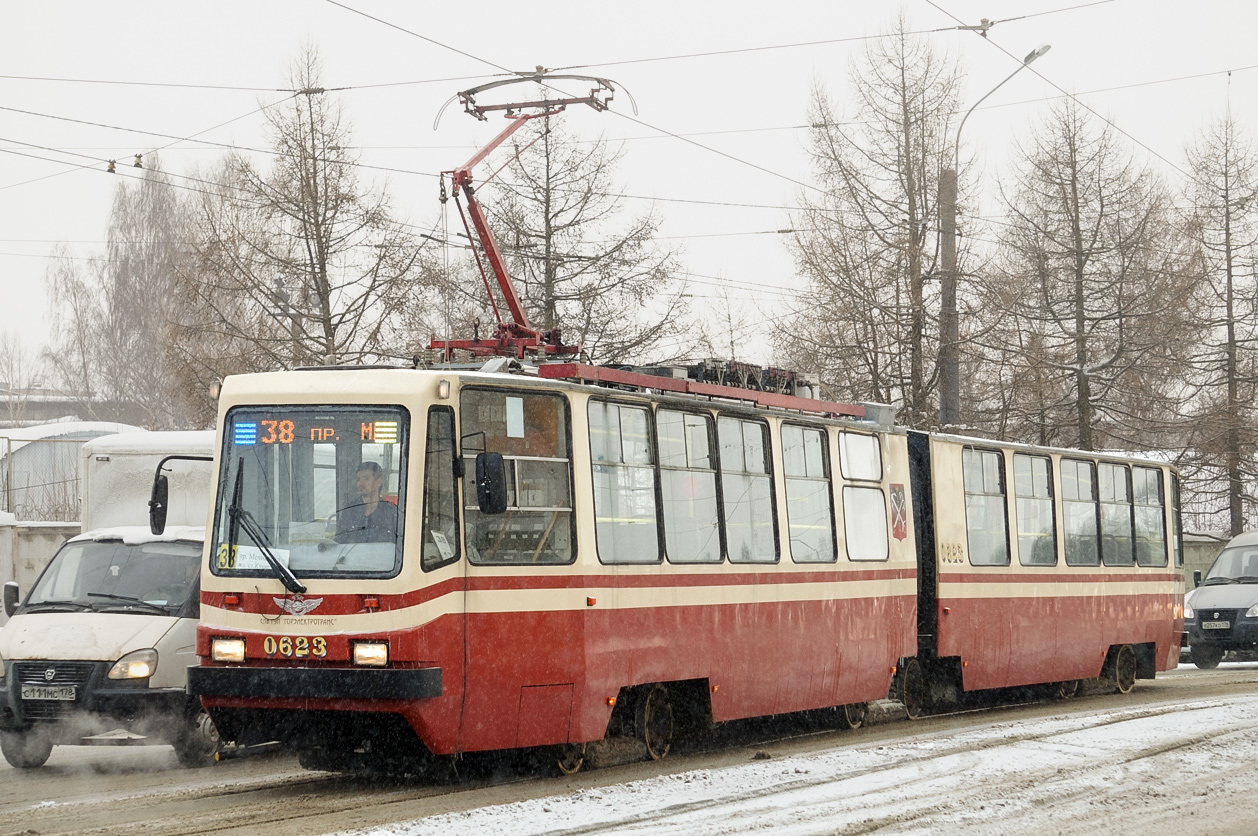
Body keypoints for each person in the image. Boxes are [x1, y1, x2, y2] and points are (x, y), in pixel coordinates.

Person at [336, 462, 398, 543]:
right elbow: (339, 541)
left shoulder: (390, 513)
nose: (360, 483)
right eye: (358, 479)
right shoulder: (350, 511)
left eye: (366, 478)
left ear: (378, 482)